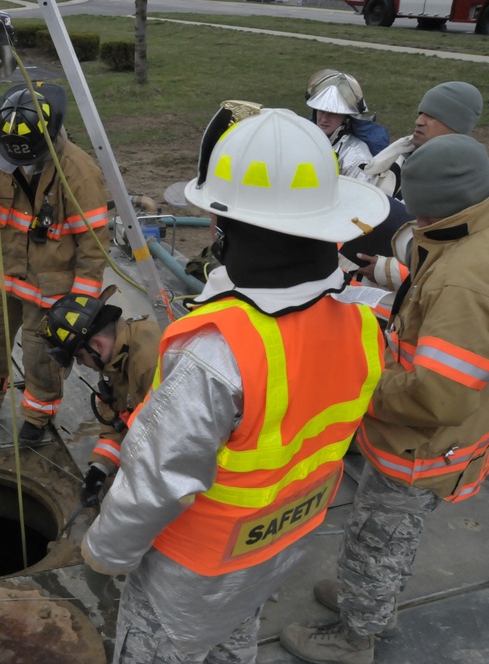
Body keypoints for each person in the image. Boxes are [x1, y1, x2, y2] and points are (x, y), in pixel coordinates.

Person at [81, 106, 390, 664]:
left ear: (228, 225)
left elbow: (156, 481)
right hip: (279, 543)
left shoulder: (216, 352)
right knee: (232, 638)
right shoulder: (362, 323)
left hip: (192, 570)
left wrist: (105, 550)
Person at [280, 135, 489, 664]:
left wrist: (359, 382)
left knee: (380, 533)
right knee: (386, 531)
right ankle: (367, 594)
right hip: (420, 436)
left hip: (418, 444)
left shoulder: (463, 282)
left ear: (439, 197)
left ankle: (357, 634)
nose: (405, 206)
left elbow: (439, 395)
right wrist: (383, 273)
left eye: (412, 195)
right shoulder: (465, 236)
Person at [0, 83, 111, 445]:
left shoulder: (79, 173)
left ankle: (38, 415)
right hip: (1, 276)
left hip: (48, 290)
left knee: (40, 357)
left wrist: (81, 303)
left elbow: (93, 246)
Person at [39, 286, 162, 507]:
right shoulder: (116, 359)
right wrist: (99, 469)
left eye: (79, 356)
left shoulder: (150, 364)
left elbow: (168, 442)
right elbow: (118, 421)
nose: (80, 364)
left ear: (97, 344)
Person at [364, 81, 483, 199]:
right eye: (421, 114)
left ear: (457, 125)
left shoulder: (462, 184)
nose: (419, 122)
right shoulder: (397, 157)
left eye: (431, 116)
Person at [305, 69, 384, 183]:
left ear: (346, 117)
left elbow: (359, 197)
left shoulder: (358, 157)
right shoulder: (304, 141)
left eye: (333, 113)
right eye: (321, 111)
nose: (324, 119)